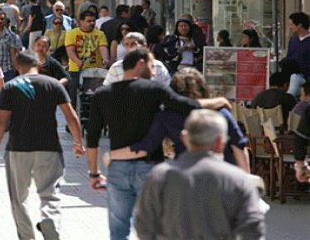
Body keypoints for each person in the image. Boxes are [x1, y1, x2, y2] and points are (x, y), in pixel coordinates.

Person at [86, 48, 230, 240]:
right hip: (150, 167)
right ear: (140, 64)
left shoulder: (102, 95)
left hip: (118, 169)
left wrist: (94, 173)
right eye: (152, 66)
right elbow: (186, 105)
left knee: (119, 230)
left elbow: (92, 138)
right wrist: (219, 101)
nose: (154, 72)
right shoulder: (154, 90)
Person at [0, 50, 85, 240]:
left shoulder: (10, 86)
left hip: (18, 149)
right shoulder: (53, 84)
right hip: (49, 147)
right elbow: (71, 115)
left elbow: (0, 122)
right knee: (50, 195)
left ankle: (27, 237)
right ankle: (50, 220)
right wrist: (78, 142)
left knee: (19, 199)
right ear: (38, 65)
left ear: (17, 66)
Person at [133, 109, 265, 240]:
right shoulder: (238, 180)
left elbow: (143, 225)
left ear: (184, 138)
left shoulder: (159, 176)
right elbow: (253, 231)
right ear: (220, 142)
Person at [109, 67, 250, 172]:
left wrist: (112, 155)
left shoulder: (166, 115)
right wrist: (247, 181)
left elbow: (145, 146)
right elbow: (239, 147)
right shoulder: (221, 111)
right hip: (225, 174)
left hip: (188, 175)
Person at [65, 10, 109, 108]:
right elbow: (70, 51)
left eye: (93, 21)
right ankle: (73, 118)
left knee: (99, 94)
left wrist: (105, 59)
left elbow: (103, 48)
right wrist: (77, 61)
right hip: (76, 70)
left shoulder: (100, 34)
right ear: (81, 22)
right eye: (89, 21)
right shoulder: (72, 34)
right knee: (73, 94)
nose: (92, 23)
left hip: (94, 70)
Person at [103, 32, 171, 86]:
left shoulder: (157, 66)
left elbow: (168, 87)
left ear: (144, 46)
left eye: (133, 44)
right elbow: (107, 91)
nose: (129, 47)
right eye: (126, 44)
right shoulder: (116, 67)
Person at [285, 11, 310, 81]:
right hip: (293, 76)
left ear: (299, 25)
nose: (290, 27)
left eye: (291, 25)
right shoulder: (293, 40)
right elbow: (289, 57)